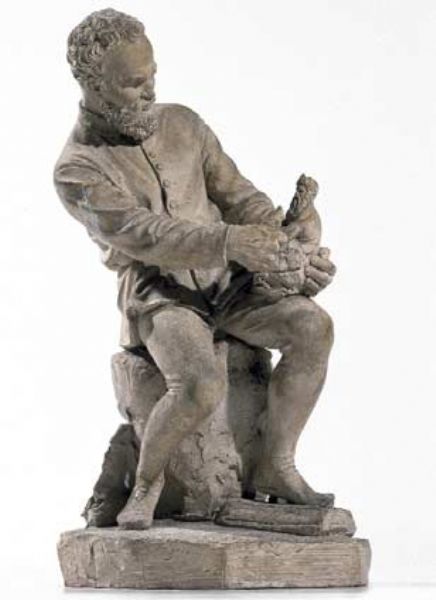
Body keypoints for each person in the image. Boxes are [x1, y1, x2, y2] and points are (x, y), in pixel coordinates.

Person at [54, 9, 337, 529]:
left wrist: (289, 243)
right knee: (199, 384)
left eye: (153, 75)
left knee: (312, 326)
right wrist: (234, 243)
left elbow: (239, 197)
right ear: (94, 86)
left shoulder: (184, 123)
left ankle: (276, 464)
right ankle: (147, 484)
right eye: (134, 83)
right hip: (160, 294)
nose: (150, 91)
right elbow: (147, 235)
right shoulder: (77, 168)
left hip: (228, 283)